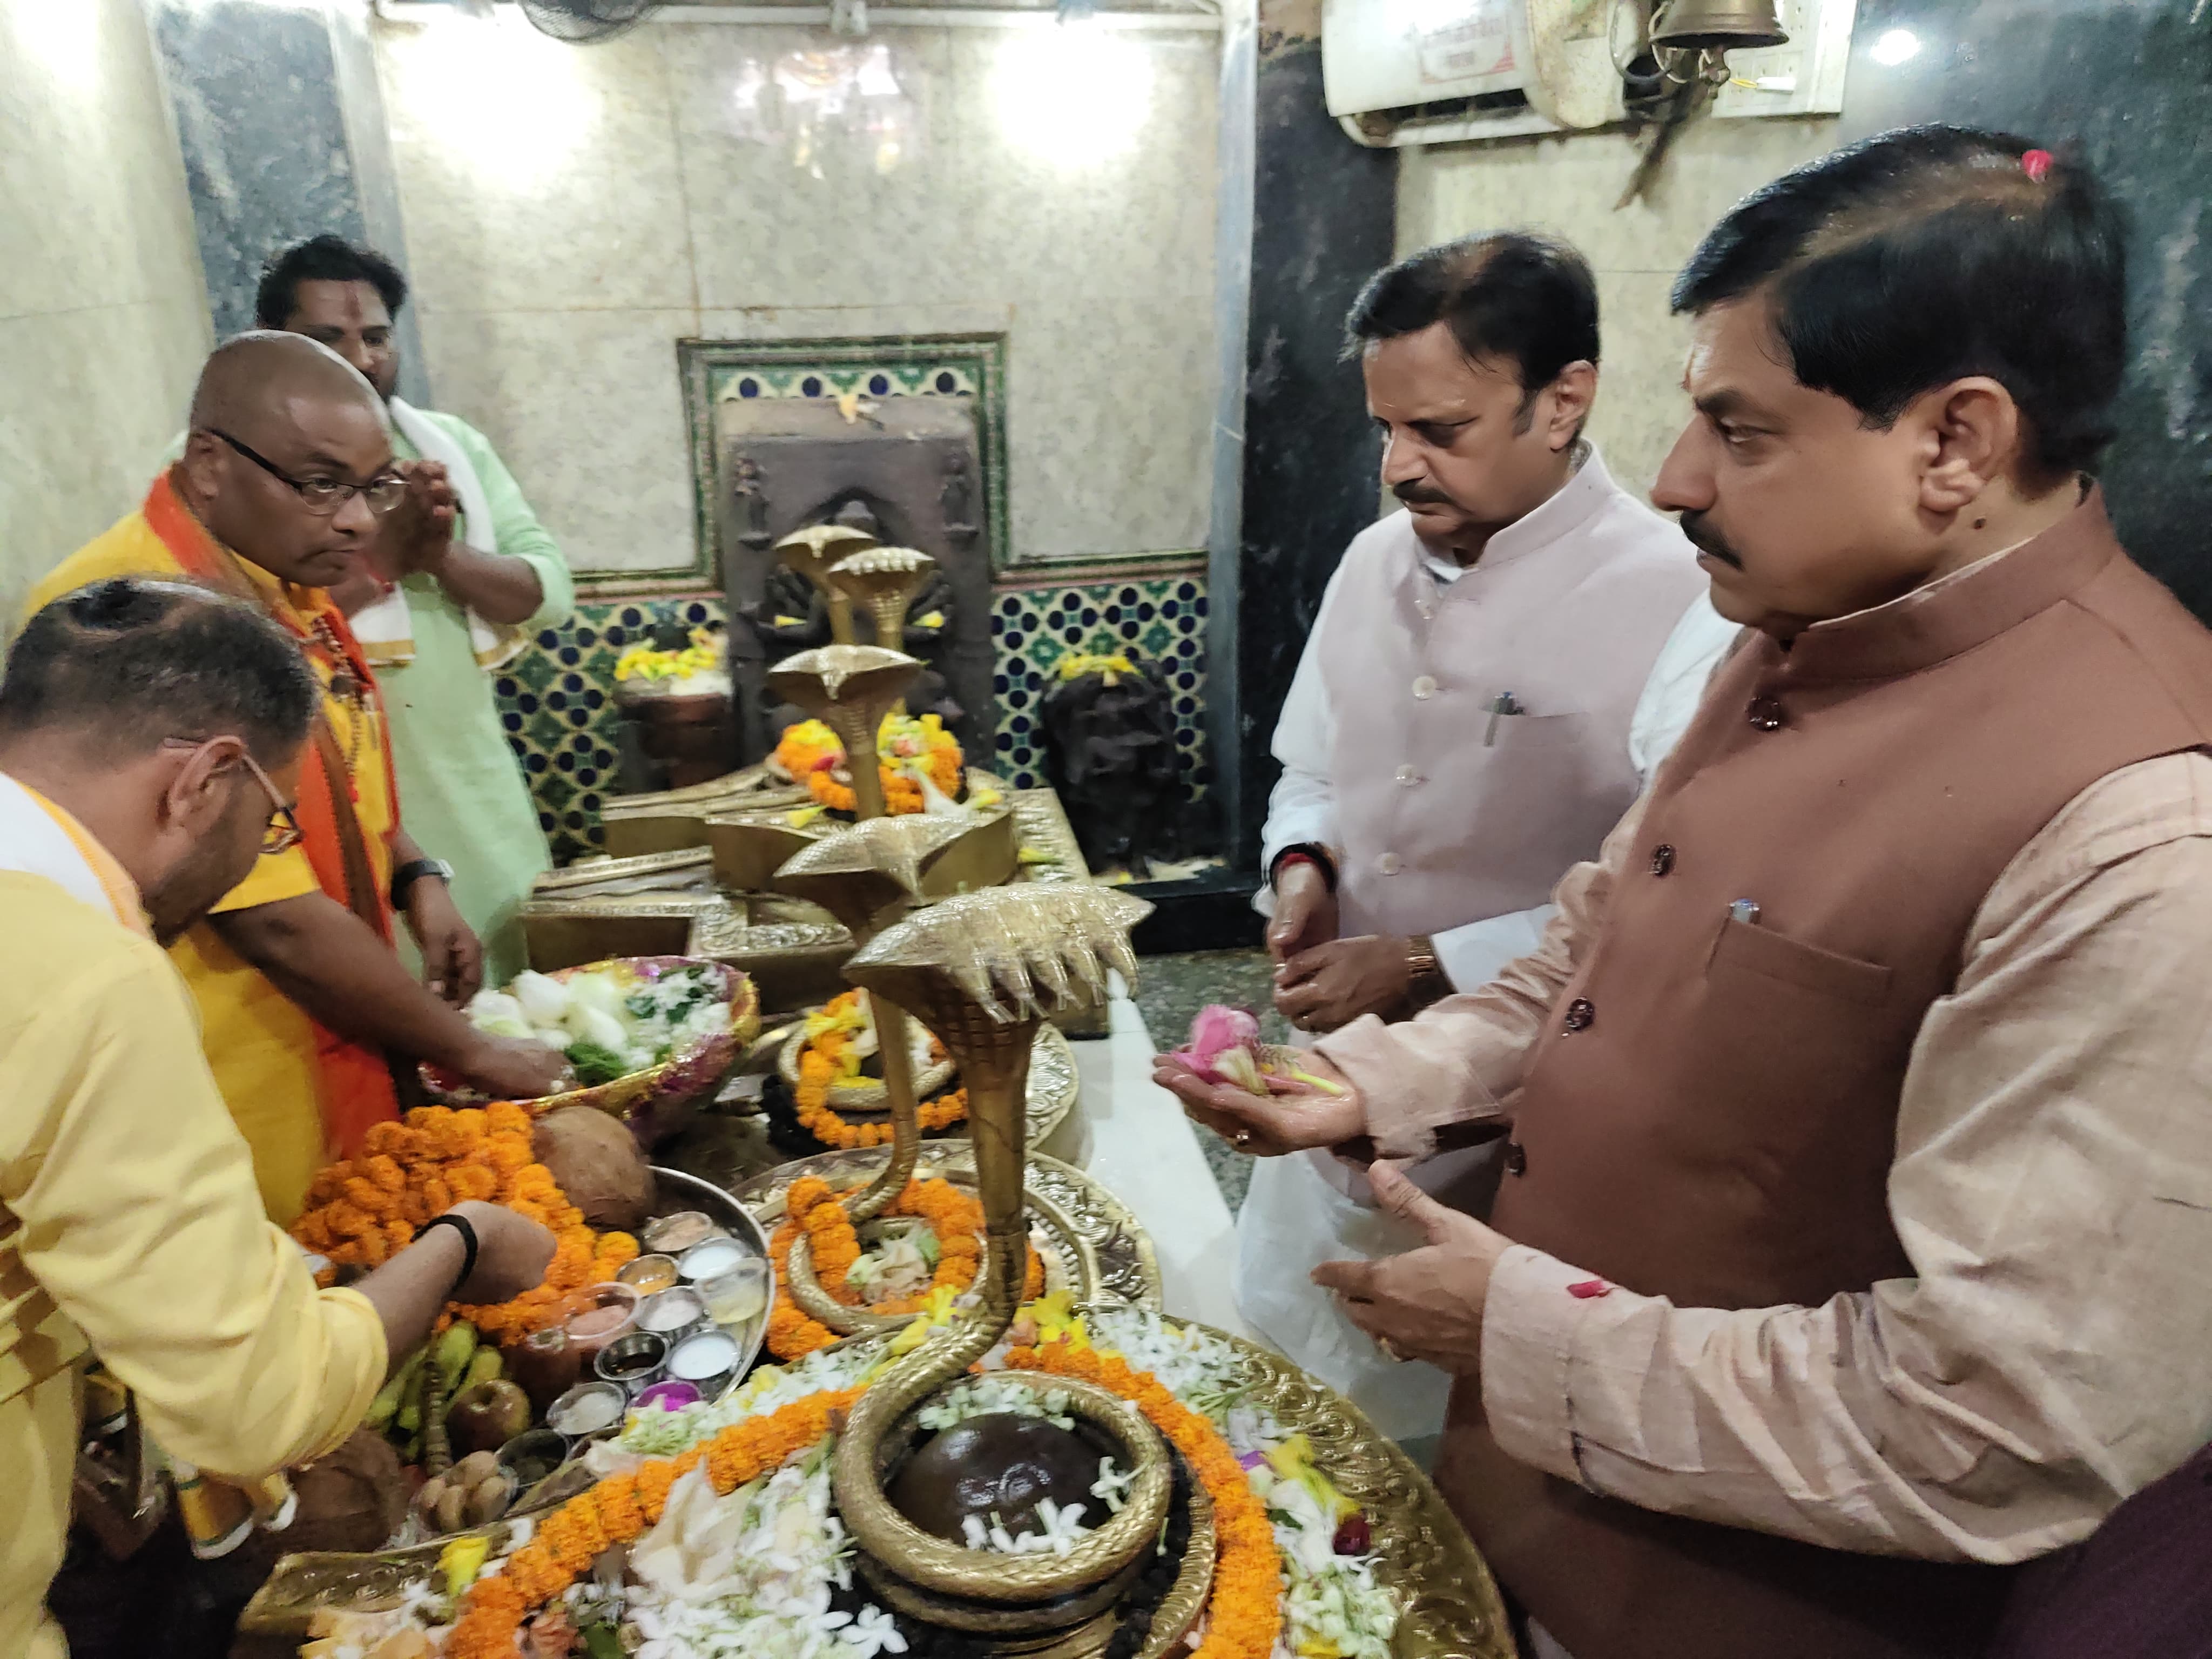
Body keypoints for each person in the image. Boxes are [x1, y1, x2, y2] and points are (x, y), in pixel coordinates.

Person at [1163, 126, 2212, 1659]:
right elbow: (1588, 957)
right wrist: (1376, 1084)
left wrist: (1526, 1340)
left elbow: (2003, 1417)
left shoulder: (2142, 832)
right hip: (1529, 1517)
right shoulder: (1790, 645)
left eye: (1741, 430)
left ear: (1956, 441)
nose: (1675, 480)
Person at [1236, 232, 1735, 1455]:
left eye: (1441, 430)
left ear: (1562, 401)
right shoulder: (1370, 562)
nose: (1399, 466)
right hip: (1334, 1066)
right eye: (1384, 430)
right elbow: (1312, 765)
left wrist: (1425, 963)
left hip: (1523, 1110)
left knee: (1440, 1427)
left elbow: (1663, 889)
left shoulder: (1683, 598)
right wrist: (1306, 869)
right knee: (1284, 1373)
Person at [0, 577, 556, 1659]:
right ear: (205, 781)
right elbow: (260, 1404)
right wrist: (460, 1243)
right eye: (271, 824)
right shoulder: (84, 977)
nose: (256, 854)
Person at [28, 333, 567, 1224]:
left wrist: (416, 874)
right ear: (210, 464)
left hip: (329, 1045)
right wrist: (473, 1050)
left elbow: (333, 775)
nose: (357, 522)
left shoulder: (277, 580)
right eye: (321, 485)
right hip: (237, 1083)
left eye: (374, 487)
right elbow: (271, 917)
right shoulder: (139, 616)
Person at [254, 234, 573, 984]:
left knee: (518, 1000)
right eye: (328, 339)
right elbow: (255, 640)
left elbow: (550, 594)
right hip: (334, 798)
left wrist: (440, 555)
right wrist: (382, 563)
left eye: (376, 337)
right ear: (274, 344)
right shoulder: (237, 467)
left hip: (475, 791)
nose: (360, 359)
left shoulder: (450, 447)